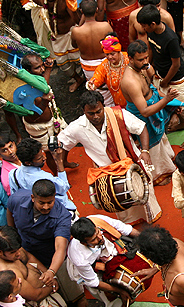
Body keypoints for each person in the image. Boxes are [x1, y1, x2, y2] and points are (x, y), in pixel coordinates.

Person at [58, 90, 162, 225]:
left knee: (144, 194)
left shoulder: (119, 115)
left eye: (98, 111)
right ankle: (130, 224)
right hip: (107, 172)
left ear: (103, 106)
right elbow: (63, 144)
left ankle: (150, 217)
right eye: (91, 113)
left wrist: (145, 151)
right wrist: (63, 161)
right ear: (83, 111)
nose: (95, 116)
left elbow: (141, 128)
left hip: (131, 163)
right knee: (119, 202)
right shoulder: (77, 127)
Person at [66, 216, 150, 307]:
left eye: (98, 232)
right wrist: (120, 291)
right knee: (112, 298)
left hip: (108, 256)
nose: (100, 237)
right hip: (92, 272)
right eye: (94, 239)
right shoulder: (80, 258)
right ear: (83, 243)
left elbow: (125, 229)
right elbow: (94, 283)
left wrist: (150, 239)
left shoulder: (97, 220)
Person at [136, 5, 184, 148]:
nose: (143, 29)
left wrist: (165, 81)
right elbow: (151, 49)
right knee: (165, 101)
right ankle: (181, 123)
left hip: (175, 78)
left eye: (144, 26)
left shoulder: (171, 38)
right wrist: (149, 66)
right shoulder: (150, 32)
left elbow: (176, 64)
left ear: (153, 24)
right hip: (160, 74)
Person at [120, 40, 178, 185]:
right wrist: (167, 100)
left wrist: (169, 101)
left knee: (161, 138)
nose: (145, 61)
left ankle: (168, 161)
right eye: (141, 60)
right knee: (152, 147)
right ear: (130, 59)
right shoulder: (130, 81)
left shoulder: (143, 67)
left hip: (155, 108)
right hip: (144, 117)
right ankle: (158, 174)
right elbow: (145, 111)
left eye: (146, 57)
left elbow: (152, 87)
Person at [6, 179, 75, 298]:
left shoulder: (62, 217)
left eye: (50, 202)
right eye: (41, 202)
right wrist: (13, 235)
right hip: (24, 249)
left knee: (64, 281)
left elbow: (60, 248)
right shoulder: (17, 199)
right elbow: (10, 211)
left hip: (48, 254)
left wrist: (51, 271)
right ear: (33, 198)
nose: (46, 207)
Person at [28, 0, 82, 92]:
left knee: (79, 59)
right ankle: (78, 79)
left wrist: (73, 7)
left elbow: (76, 19)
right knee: (62, 64)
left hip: (70, 34)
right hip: (57, 36)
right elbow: (38, 1)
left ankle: (89, 79)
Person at [70, 0, 114, 84]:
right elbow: (113, 43)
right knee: (109, 87)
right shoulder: (105, 26)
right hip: (105, 62)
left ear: (82, 12)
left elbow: (74, 45)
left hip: (88, 66)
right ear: (97, 9)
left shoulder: (76, 31)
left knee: (94, 87)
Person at [86, 32, 130, 108]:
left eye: (112, 54)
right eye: (107, 54)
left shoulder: (129, 59)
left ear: (118, 51)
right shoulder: (104, 65)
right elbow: (97, 76)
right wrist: (92, 84)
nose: (109, 57)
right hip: (119, 104)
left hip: (135, 101)